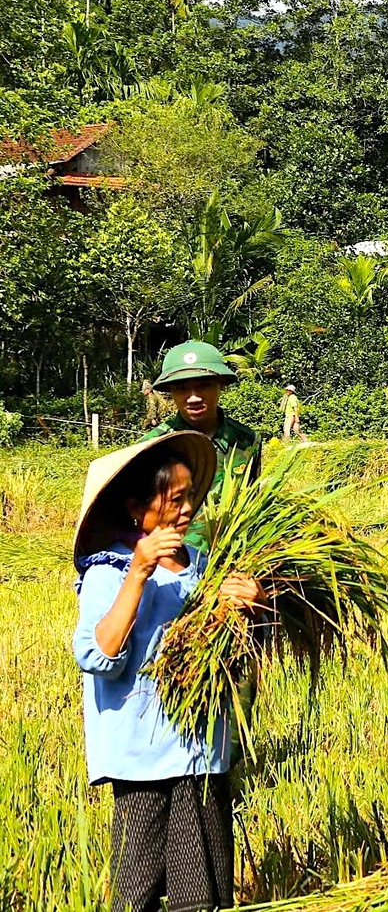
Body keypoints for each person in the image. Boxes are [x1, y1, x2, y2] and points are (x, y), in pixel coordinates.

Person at [72, 431, 264, 912]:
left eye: (190, 498)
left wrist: (247, 608)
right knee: (137, 893)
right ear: (138, 509)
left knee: (205, 894)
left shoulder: (205, 567)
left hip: (200, 753)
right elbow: (97, 655)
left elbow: (226, 654)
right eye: (174, 500)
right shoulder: (108, 571)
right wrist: (138, 572)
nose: (186, 511)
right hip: (143, 759)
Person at [138, 341, 263, 554]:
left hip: (232, 559)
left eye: (204, 385)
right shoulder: (153, 446)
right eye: (182, 388)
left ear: (221, 384)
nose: (194, 397)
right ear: (170, 391)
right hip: (174, 563)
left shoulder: (247, 441)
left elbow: (253, 504)